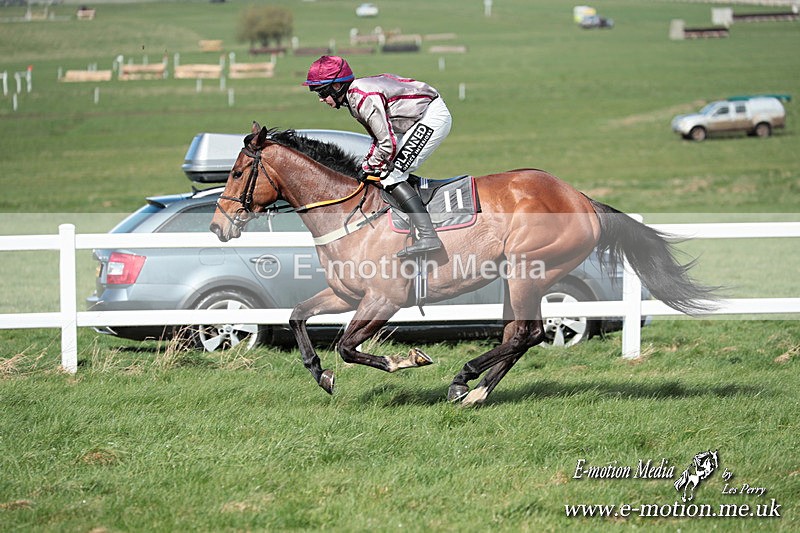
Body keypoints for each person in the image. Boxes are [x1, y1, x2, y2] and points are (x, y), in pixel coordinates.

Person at [303, 55, 452, 257]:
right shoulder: (354, 97)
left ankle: (428, 236)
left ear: (337, 87)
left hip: (431, 117)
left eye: (322, 92)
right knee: (384, 170)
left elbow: (387, 144)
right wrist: (366, 165)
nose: (321, 99)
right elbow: (378, 139)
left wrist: (368, 167)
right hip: (415, 120)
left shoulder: (362, 99)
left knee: (392, 174)